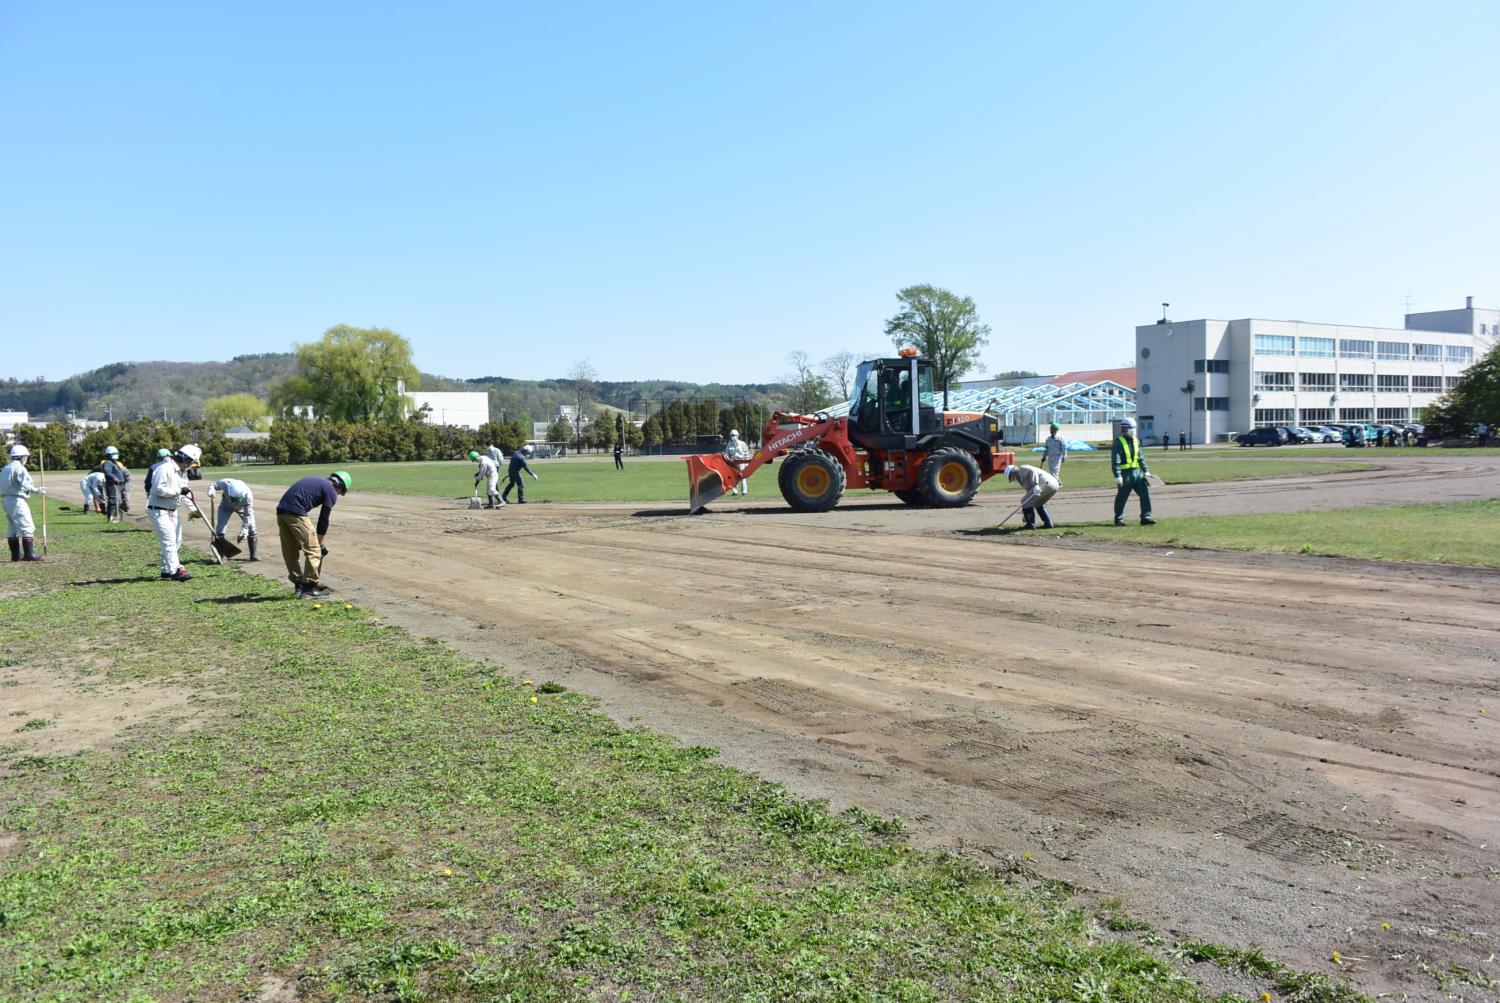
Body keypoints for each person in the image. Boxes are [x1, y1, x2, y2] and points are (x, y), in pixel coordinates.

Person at [276, 470, 351, 598]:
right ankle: (310, 587)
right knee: (314, 550)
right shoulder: (330, 490)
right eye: (340, 492)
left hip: (281, 512)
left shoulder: (318, 481)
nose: (338, 494)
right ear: (339, 486)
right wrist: (319, 544)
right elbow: (323, 520)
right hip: (296, 512)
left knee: (290, 550)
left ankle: (299, 584)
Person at [147, 445, 201, 582]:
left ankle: (166, 569)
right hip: (159, 510)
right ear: (183, 458)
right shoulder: (165, 469)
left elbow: (185, 493)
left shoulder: (183, 473)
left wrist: (194, 509)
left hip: (172, 510)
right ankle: (175, 570)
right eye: (190, 462)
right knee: (169, 540)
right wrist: (178, 491)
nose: (190, 465)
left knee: (177, 540)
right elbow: (158, 489)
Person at [2, 444, 46, 562]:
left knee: (12, 527)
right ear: (23, 457)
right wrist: (38, 490)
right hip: (17, 500)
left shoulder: (6, 468)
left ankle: (16, 556)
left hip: (6, 500)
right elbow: (25, 483)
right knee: (28, 526)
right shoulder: (19, 468)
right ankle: (29, 555)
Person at [1111, 417, 1156, 526]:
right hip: (1125, 475)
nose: (1133, 431)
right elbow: (1115, 460)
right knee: (1122, 497)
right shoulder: (1118, 442)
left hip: (1137, 473)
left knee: (1145, 495)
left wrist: (1146, 471)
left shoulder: (1136, 441)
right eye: (1132, 428)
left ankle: (1146, 517)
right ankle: (1119, 519)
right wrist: (1118, 476)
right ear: (1124, 429)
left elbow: (1140, 458)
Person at [207, 477, 259, 561]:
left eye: (237, 499)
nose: (235, 501)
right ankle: (220, 557)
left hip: (242, 508)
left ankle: (253, 555)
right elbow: (213, 485)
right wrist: (211, 490)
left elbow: (248, 515)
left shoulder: (248, 496)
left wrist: (244, 530)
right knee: (220, 530)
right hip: (225, 507)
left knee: (251, 528)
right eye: (233, 499)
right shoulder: (226, 483)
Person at [1005, 463, 1059, 529]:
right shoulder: (1022, 479)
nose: (1013, 478)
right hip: (1053, 485)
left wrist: (1036, 484)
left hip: (1045, 484)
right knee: (1037, 503)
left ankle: (1030, 525)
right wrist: (1026, 515)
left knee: (1024, 501)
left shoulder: (1021, 469)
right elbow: (1029, 498)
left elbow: (1033, 471)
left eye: (1011, 475)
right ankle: (1048, 524)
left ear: (1013, 471)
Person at [102, 445, 131, 522]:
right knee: (113, 501)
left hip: (119, 485)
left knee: (118, 501)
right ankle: (112, 519)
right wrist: (114, 477)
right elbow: (107, 472)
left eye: (116, 453)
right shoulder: (108, 463)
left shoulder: (114, 462)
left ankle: (116, 518)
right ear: (108, 455)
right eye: (113, 454)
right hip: (113, 485)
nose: (115, 455)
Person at [723, 429, 752, 495]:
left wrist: (746, 464)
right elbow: (726, 454)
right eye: (731, 435)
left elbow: (746, 454)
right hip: (733, 463)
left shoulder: (742, 444)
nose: (732, 437)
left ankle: (744, 491)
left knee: (743, 476)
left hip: (741, 462)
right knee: (734, 477)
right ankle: (735, 491)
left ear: (737, 435)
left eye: (733, 435)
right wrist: (729, 460)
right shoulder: (729, 445)